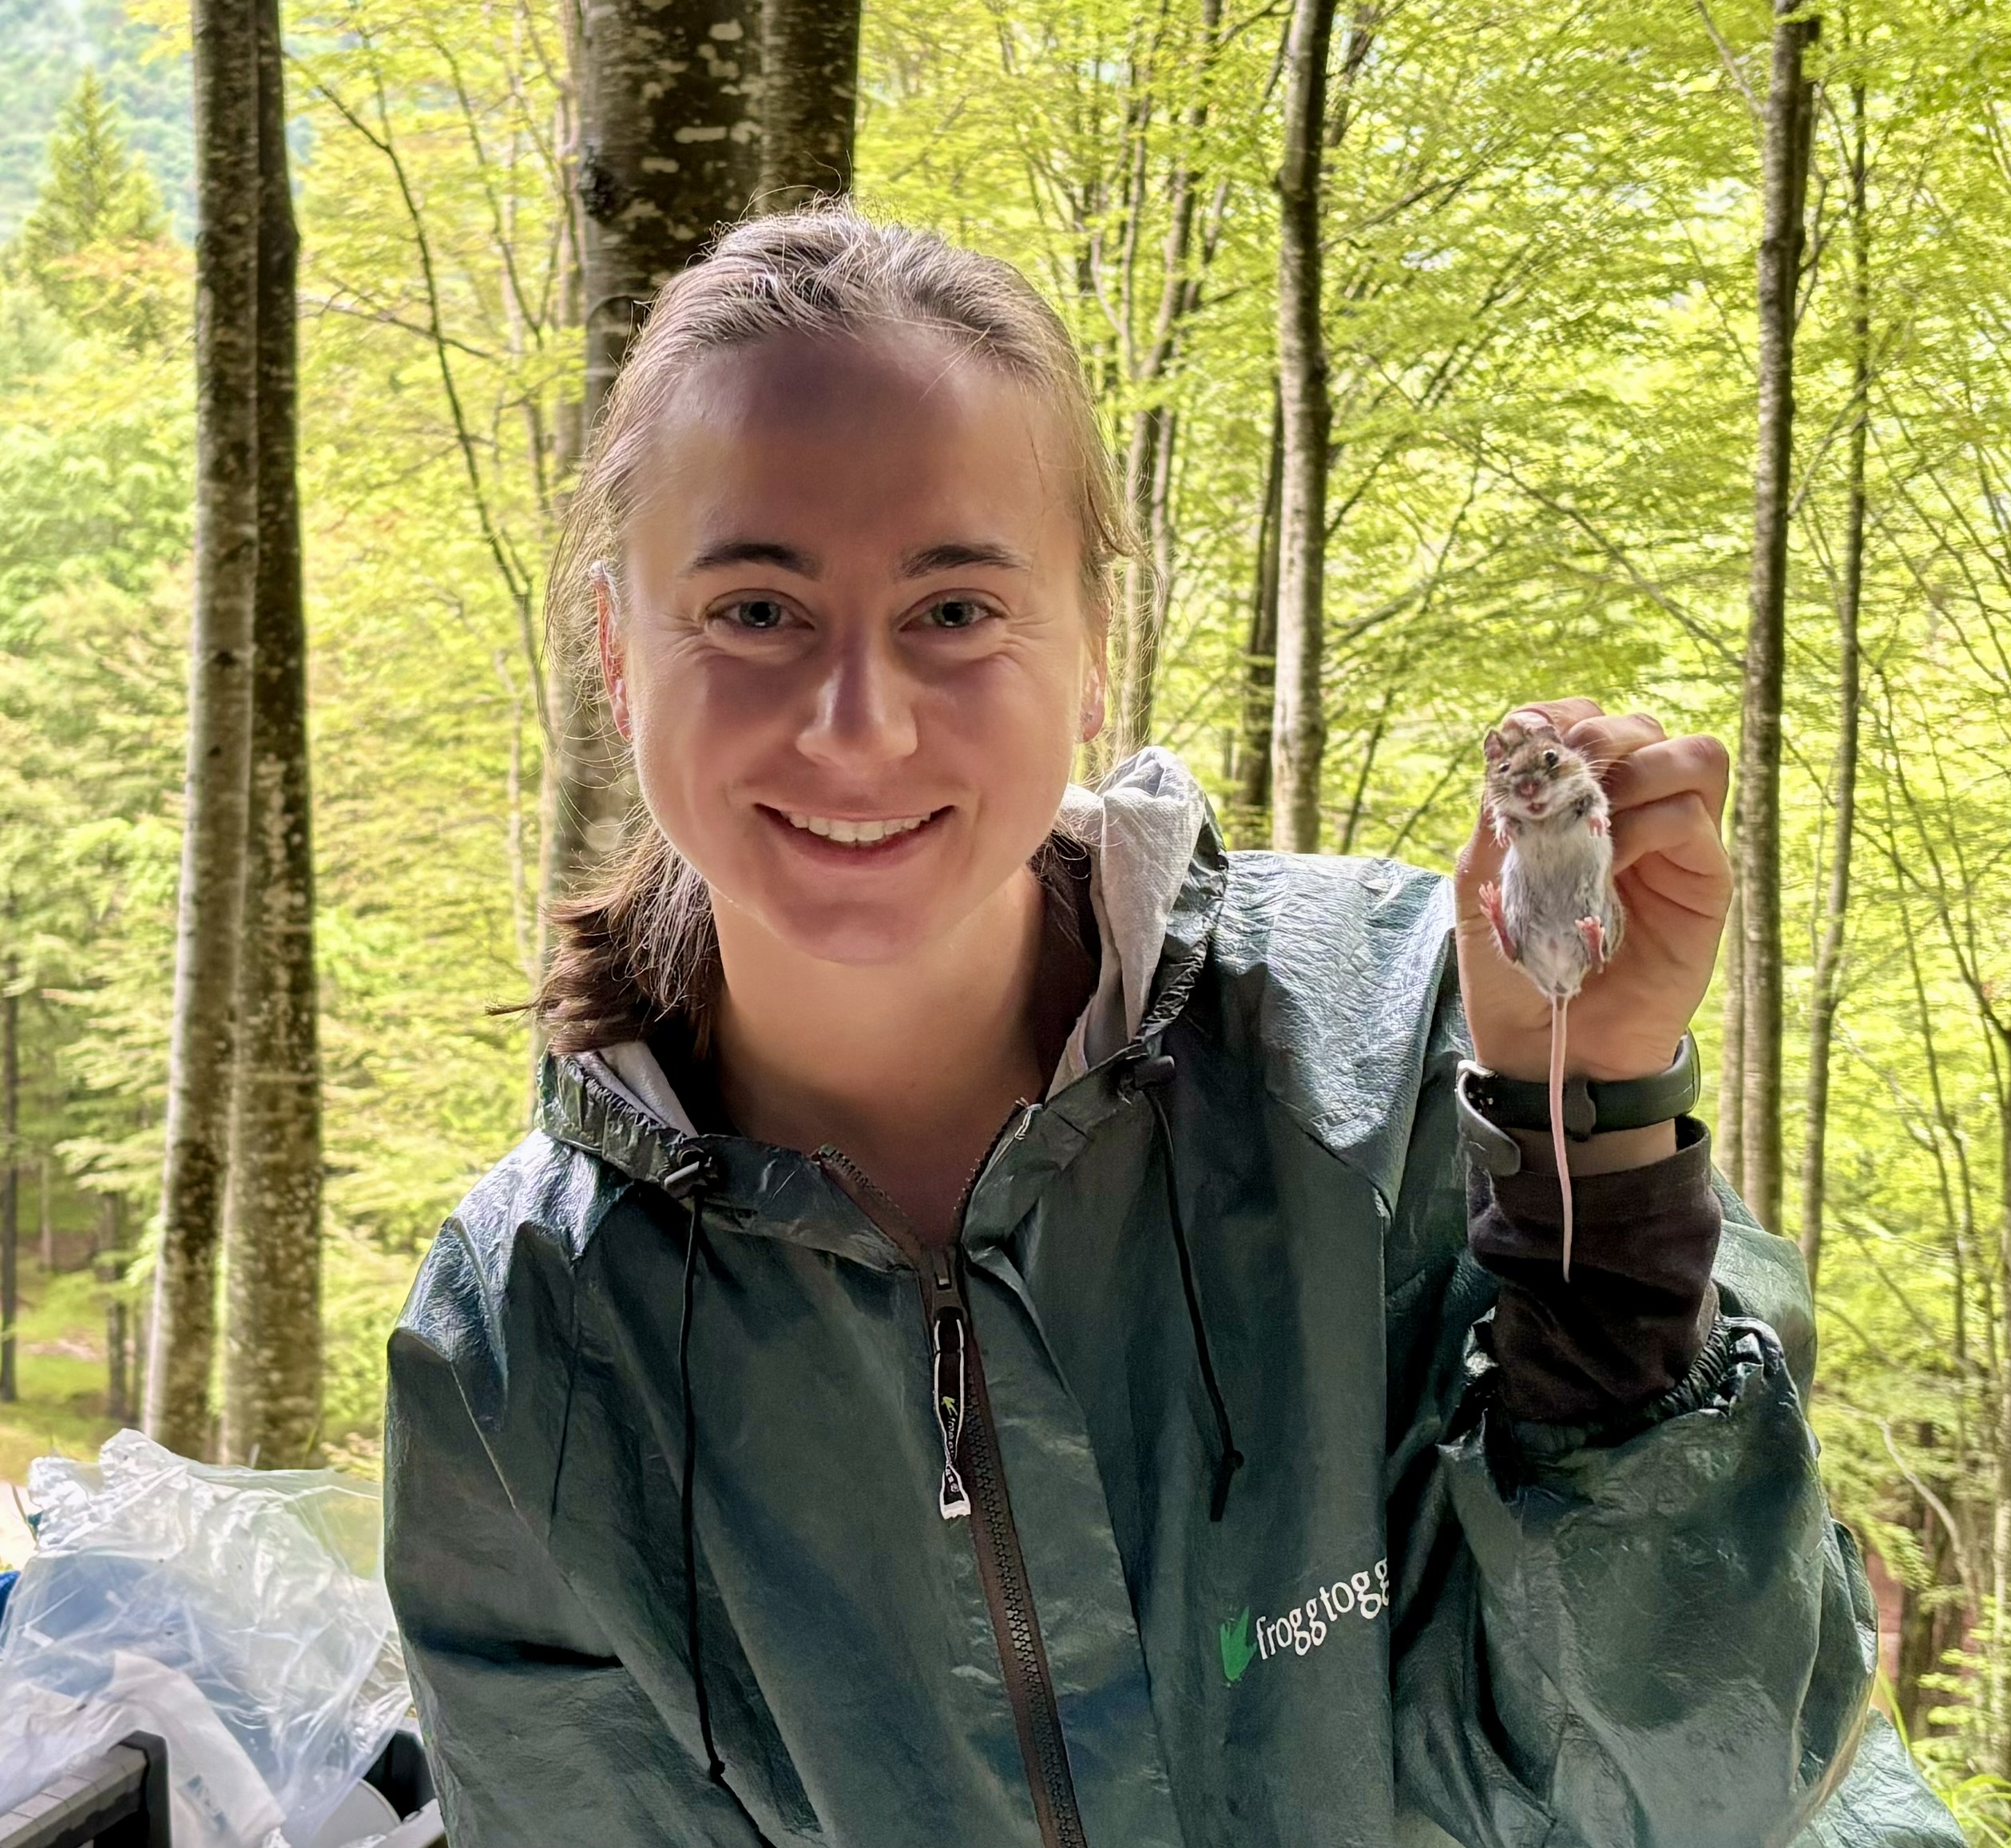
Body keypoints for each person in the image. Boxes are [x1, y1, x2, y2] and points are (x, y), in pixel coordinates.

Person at [383, 208, 1958, 1848]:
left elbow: (1704, 1784)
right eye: (757, 610)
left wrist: (1589, 1134)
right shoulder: (522, 1354)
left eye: (954, 610)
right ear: (616, 646)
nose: (858, 719)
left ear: (1090, 652)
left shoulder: (1412, 1058)